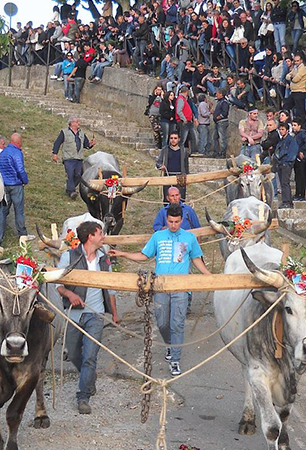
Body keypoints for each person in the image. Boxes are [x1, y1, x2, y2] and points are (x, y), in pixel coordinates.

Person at [109, 204, 211, 377]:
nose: (173, 225)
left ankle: (175, 360)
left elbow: (196, 259)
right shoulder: (158, 237)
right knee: (162, 322)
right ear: (166, 219)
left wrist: (209, 276)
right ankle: (170, 344)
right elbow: (144, 256)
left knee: (177, 324)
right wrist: (123, 254)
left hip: (181, 287)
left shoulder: (189, 238)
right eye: (170, 221)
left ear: (181, 220)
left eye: (177, 222)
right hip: (160, 287)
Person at [56, 221, 118, 414]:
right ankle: (89, 378)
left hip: (95, 314)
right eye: (100, 233)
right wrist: (70, 295)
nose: (103, 237)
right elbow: (58, 284)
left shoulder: (103, 259)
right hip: (74, 315)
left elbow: (111, 287)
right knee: (74, 355)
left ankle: (83, 397)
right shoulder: (69, 256)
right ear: (90, 236)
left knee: (90, 357)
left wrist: (115, 313)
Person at [52, 117, 97, 199]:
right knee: (70, 174)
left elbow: (86, 145)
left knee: (78, 175)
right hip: (68, 158)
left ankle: (69, 188)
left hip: (79, 158)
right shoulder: (64, 132)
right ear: (71, 123)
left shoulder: (82, 133)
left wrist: (91, 144)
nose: (79, 123)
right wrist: (55, 154)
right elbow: (57, 143)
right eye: (77, 122)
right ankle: (72, 192)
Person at [0, 133, 29, 237]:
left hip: (4, 184)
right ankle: (22, 233)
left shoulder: (3, 152)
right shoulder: (17, 152)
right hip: (16, 184)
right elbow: (20, 169)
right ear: (19, 142)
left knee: (3, 211)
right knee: (19, 211)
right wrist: (24, 180)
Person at [156, 132, 190, 201]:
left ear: (179, 139)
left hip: (180, 177)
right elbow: (158, 163)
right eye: (171, 138)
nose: (173, 140)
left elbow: (186, 166)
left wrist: (187, 178)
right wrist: (161, 167)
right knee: (167, 199)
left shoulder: (184, 151)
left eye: (175, 138)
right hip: (168, 177)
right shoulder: (165, 150)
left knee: (180, 199)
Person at [274, 122, 298, 209]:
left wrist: (287, 162)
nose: (281, 131)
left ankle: (287, 201)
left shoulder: (291, 140)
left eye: (283, 129)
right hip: (281, 163)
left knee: (285, 183)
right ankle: (287, 201)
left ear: (287, 130)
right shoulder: (281, 140)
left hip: (286, 164)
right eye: (280, 129)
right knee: (283, 183)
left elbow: (293, 152)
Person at [212, 88, 230, 158]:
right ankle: (216, 152)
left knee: (222, 138)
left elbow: (225, 112)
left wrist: (219, 116)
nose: (216, 95)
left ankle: (222, 153)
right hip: (217, 122)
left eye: (217, 93)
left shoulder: (224, 102)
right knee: (215, 137)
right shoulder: (219, 102)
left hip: (222, 122)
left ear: (221, 94)